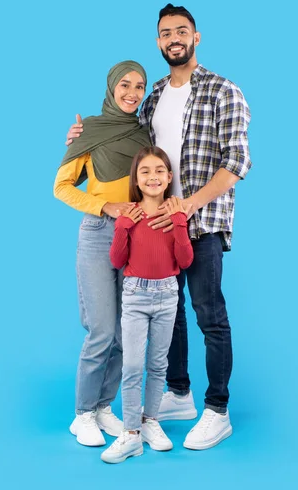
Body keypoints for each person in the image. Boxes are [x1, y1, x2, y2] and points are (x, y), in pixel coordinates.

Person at [66, 4, 252, 451]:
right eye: (166, 32)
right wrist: (84, 135)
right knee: (171, 317)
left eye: (181, 31)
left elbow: (237, 163)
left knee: (208, 312)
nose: (174, 38)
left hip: (200, 220)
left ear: (196, 37)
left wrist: (187, 206)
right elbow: (127, 142)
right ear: (158, 42)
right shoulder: (153, 97)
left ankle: (217, 409)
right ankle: (180, 393)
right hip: (154, 224)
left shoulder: (223, 90)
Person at [54, 60, 150, 447]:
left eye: (139, 86)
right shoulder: (89, 130)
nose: (132, 93)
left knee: (127, 333)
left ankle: (103, 407)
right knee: (101, 330)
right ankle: (82, 415)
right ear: (112, 87)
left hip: (139, 236)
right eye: (125, 84)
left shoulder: (146, 134)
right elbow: (62, 186)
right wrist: (104, 207)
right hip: (98, 234)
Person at [100, 147, 193, 464]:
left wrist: (180, 223)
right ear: (136, 180)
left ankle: (150, 420)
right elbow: (116, 260)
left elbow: (184, 260)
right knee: (132, 366)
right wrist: (123, 226)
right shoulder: (129, 215)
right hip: (136, 296)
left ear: (169, 177)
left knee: (158, 366)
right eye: (145, 171)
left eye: (159, 171)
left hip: (167, 295)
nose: (153, 176)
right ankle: (130, 434)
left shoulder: (174, 214)